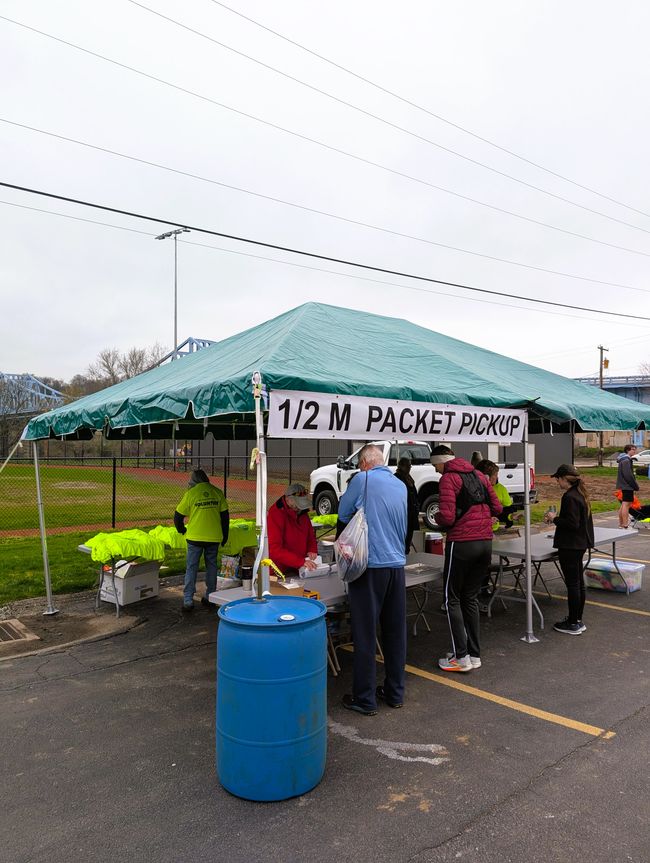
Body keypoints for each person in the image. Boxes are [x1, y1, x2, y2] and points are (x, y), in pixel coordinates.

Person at [337, 444, 407, 715]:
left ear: (364, 463)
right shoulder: (399, 484)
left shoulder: (362, 479)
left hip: (369, 566)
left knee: (365, 634)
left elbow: (343, 514)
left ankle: (365, 698)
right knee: (395, 633)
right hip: (396, 565)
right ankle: (395, 692)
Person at [430, 445, 502, 672]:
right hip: (485, 543)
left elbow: (448, 517)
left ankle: (460, 657)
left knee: (451, 598)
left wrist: (435, 518)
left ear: (442, 461)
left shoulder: (448, 479)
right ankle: (474, 654)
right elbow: (497, 507)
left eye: (435, 466)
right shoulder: (479, 475)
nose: (436, 471)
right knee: (470, 598)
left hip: (461, 543)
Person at [544, 464, 594, 635]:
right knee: (578, 583)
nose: (557, 482)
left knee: (573, 584)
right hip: (579, 544)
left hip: (570, 545)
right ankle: (577, 619)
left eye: (558, 479)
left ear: (565, 479)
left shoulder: (570, 497)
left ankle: (573, 623)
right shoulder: (580, 494)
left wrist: (554, 518)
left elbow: (572, 523)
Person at [174, 469, 229, 611]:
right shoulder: (217, 492)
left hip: (195, 537)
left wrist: (181, 530)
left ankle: (188, 600)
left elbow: (178, 516)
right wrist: (225, 535)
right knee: (211, 566)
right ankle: (210, 595)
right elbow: (225, 517)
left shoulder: (191, 493)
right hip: (213, 537)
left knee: (191, 567)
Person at [267, 483, 318, 577]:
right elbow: (274, 550)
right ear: (287, 499)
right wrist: (299, 561)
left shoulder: (301, 512)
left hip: (298, 567)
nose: (299, 508)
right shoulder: (275, 514)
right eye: (297, 504)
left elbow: (310, 535)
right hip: (279, 571)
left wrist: (312, 549)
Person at [474, 459, 523, 530]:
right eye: (495, 475)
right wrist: (486, 521)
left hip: (491, 531)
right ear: (486, 476)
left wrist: (510, 516)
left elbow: (499, 513)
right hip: (477, 532)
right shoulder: (474, 490)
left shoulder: (500, 488)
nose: (497, 477)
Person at [394, 456, 419, 555]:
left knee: (408, 538)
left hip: (411, 514)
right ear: (402, 466)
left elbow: (413, 493)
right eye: (408, 466)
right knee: (402, 540)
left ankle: (406, 553)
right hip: (403, 514)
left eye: (410, 466)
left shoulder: (409, 478)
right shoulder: (396, 477)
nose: (410, 467)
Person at [616, 444, 639, 528]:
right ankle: (624, 524)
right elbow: (628, 475)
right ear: (627, 450)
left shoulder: (624, 459)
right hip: (627, 486)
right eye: (633, 449)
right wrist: (635, 485)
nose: (634, 451)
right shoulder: (626, 460)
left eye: (635, 449)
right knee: (626, 504)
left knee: (624, 504)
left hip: (624, 485)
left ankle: (622, 523)